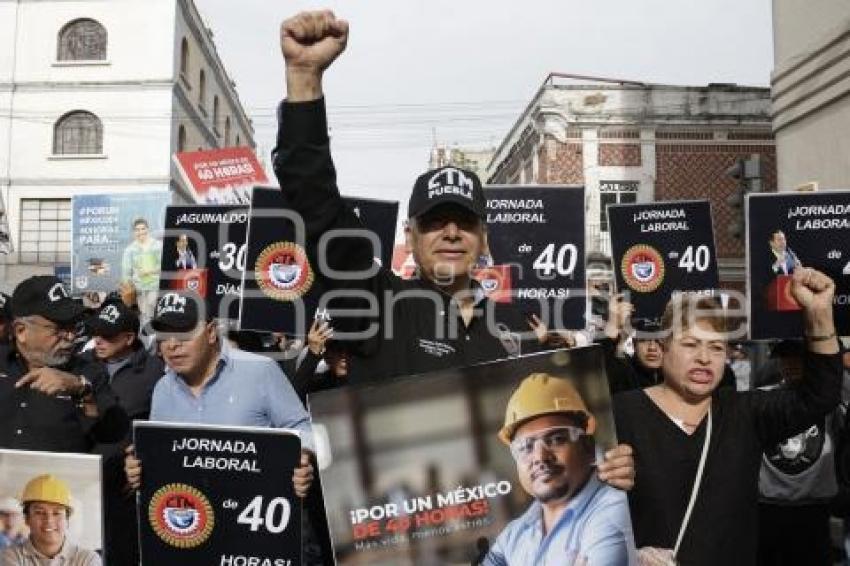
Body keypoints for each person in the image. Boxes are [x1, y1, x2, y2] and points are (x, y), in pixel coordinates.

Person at [275, 11, 553, 385]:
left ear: (484, 237)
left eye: (465, 222)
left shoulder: (518, 327)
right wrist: (304, 78)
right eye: (436, 222)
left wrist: (599, 446)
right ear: (410, 236)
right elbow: (315, 202)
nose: (452, 233)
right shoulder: (377, 304)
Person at [614, 267, 841, 565]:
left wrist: (819, 313)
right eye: (691, 344)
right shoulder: (621, 413)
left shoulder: (745, 413)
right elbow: (577, 509)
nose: (705, 358)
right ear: (663, 346)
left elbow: (820, 395)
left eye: (717, 347)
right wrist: (629, 555)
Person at [124, 291, 320, 560]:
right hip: (191, 537)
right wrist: (140, 468)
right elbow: (162, 459)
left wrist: (302, 457)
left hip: (257, 540)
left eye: (183, 334)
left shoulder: (260, 372)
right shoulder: (162, 390)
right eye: (164, 336)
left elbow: (304, 428)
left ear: (212, 332)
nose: (172, 345)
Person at [485, 373, 636, 565]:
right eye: (525, 447)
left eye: (556, 439)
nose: (539, 457)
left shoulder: (611, 510)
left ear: (588, 447)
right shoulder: (515, 534)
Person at [0, 275, 128, 453]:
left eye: (73, 326)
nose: (71, 336)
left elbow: (113, 435)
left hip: (58, 480)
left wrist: (82, 390)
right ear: (21, 331)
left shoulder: (89, 373)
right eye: (59, 328)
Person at [84, 298, 164, 566]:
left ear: (129, 337)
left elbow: (160, 426)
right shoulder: (79, 365)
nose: (98, 340)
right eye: (95, 332)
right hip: (80, 482)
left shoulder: (156, 371)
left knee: (121, 553)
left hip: (123, 487)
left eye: (107, 335)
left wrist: (146, 465)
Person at [0, 474, 100, 565]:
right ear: (27, 519)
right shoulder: (9, 557)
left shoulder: (87, 559)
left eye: (57, 513)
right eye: (39, 512)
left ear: (67, 520)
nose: (49, 520)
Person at [121, 217, 163, 321]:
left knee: (153, 308)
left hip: (155, 286)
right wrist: (129, 289)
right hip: (139, 288)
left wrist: (149, 271)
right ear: (134, 232)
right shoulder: (130, 250)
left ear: (148, 229)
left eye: (143, 228)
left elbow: (164, 266)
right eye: (137, 229)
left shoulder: (158, 246)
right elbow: (126, 272)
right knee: (144, 314)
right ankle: (146, 333)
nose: (141, 232)